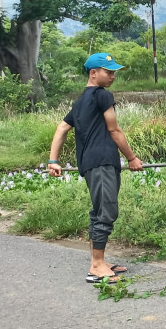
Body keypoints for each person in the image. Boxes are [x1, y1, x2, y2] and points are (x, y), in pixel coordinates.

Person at [48, 53, 144, 283]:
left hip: (92, 164)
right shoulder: (102, 96)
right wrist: (132, 158)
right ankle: (96, 267)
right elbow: (114, 131)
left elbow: (62, 128)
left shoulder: (81, 101)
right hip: (101, 163)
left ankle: (99, 261)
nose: (112, 76)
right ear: (93, 73)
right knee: (106, 212)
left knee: (98, 211)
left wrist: (53, 161)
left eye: (113, 72)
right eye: (108, 71)